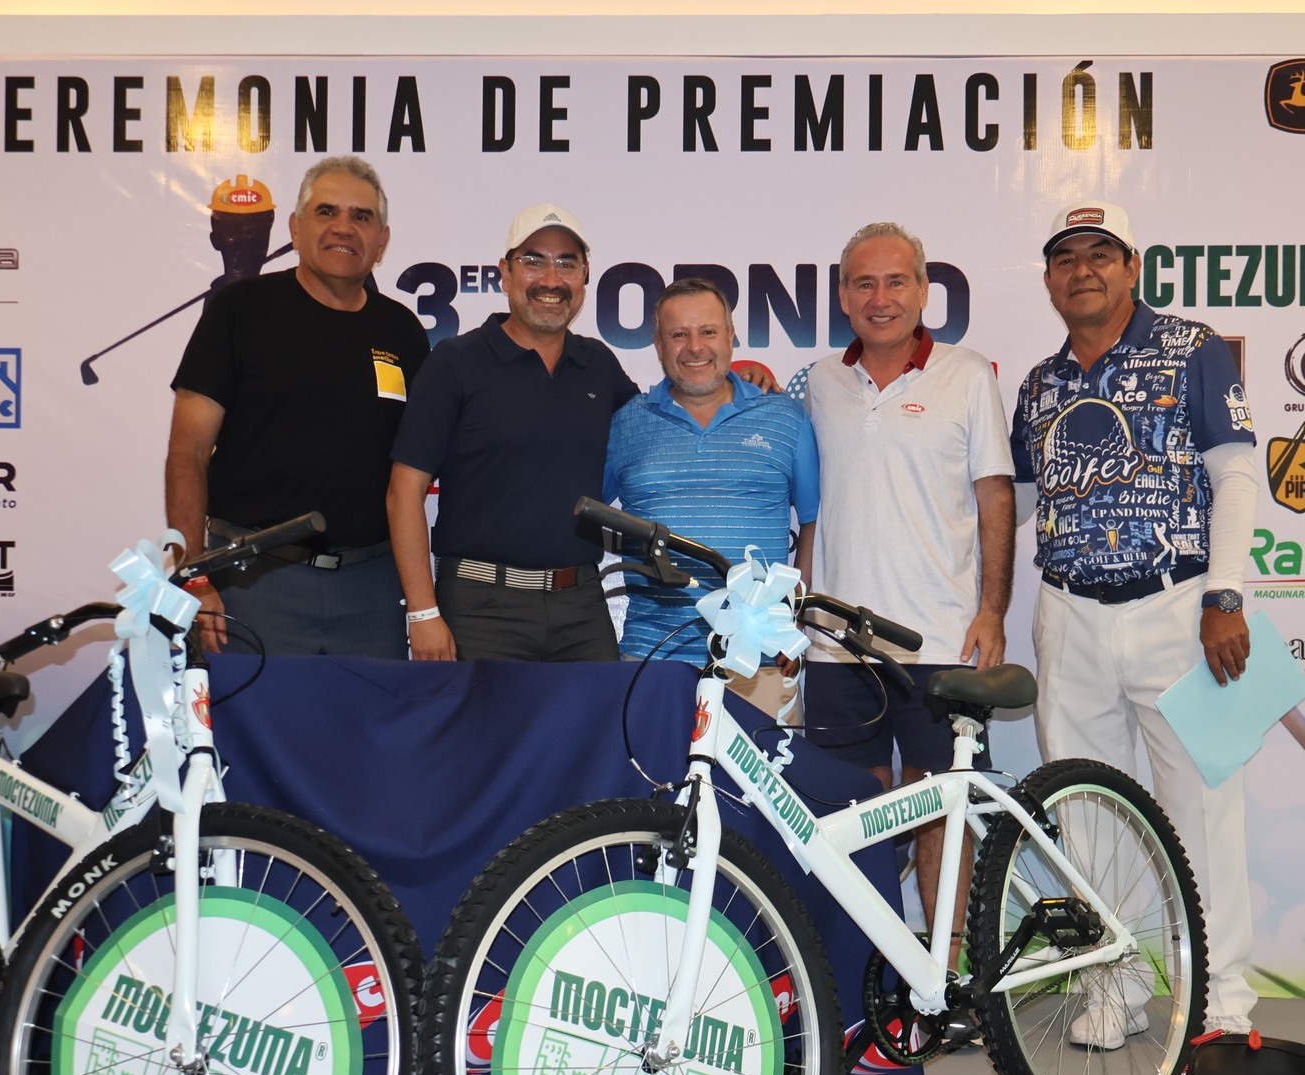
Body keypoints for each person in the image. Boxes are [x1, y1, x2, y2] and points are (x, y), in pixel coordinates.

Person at [1009, 199, 1261, 1045]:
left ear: (1131, 267)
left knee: (1203, 812)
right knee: (1086, 813)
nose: (1081, 269)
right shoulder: (1040, 385)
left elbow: (1236, 475)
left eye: (1099, 253)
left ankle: (1222, 1000)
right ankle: (1113, 984)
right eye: (1065, 257)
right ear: (1050, 279)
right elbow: (1017, 500)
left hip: (1179, 607)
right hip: (1069, 611)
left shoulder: (1194, 349)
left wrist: (1225, 595)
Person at [800, 222, 1015, 962]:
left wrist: (992, 610)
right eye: (864, 283)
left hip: (940, 641)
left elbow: (995, 497)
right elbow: (812, 510)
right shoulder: (819, 383)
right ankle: (866, 977)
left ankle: (944, 979)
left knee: (939, 814)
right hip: (838, 648)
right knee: (849, 814)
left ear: (924, 291)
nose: (881, 297)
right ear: (842, 296)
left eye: (896, 281)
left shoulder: (968, 374)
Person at [166, 155, 429, 657]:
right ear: (295, 227)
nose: (344, 227)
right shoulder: (239, 310)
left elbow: (417, 467)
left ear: (382, 242)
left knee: (373, 712)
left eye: (362, 216)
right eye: (327, 211)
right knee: (248, 711)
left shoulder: (403, 331)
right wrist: (193, 575)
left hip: (372, 590)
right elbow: (188, 453)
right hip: (252, 580)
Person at [386, 204, 639, 662]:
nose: (551, 279)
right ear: (505, 273)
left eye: (567, 263)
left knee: (601, 712)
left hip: (581, 605)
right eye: (533, 260)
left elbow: (660, 423)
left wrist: (737, 385)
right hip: (480, 609)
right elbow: (404, 490)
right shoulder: (454, 363)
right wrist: (422, 612)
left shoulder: (598, 364)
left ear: (584, 276)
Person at [602, 277, 819, 709]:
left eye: (708, 331)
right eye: (678, 334)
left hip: (760, 660)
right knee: (645, 758)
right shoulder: (626, 423)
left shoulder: (785, 418)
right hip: (651, 656)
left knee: (764, 758)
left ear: (731, 337)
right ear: (658, 345)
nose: (695, 347)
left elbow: (813, 524)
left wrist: (794, 617)